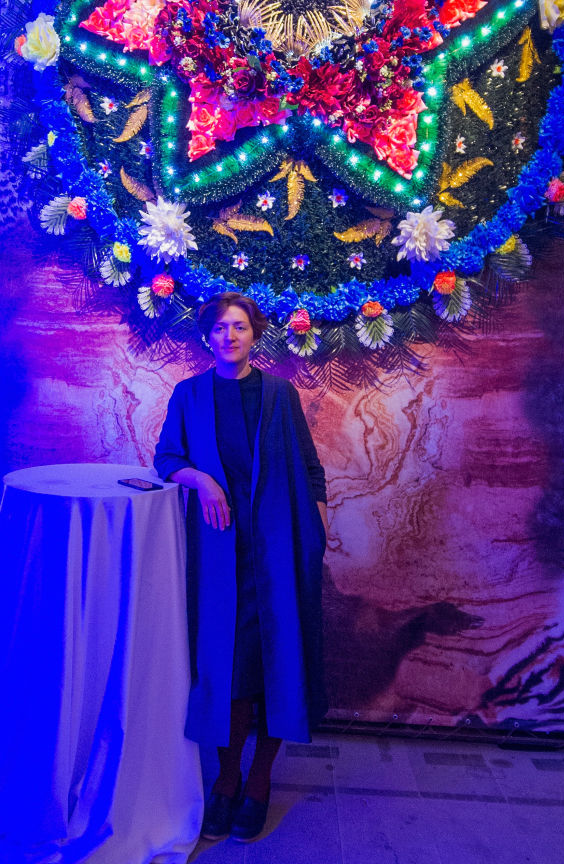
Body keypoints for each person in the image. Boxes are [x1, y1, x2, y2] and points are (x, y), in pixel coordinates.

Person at [153, 292, 328, 842]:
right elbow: (166, 459)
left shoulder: (280, 394)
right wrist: (201, 479)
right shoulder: (189, 395)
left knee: (279, 665)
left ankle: (258, 782)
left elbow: (310, 466)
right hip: (218, 553)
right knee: (227, 670)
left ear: (255, 334)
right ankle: (225, 781)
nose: (230, 336)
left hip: (279, 549)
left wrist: (316, 534)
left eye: (241, 327)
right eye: (221, 328)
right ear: (207, 336)